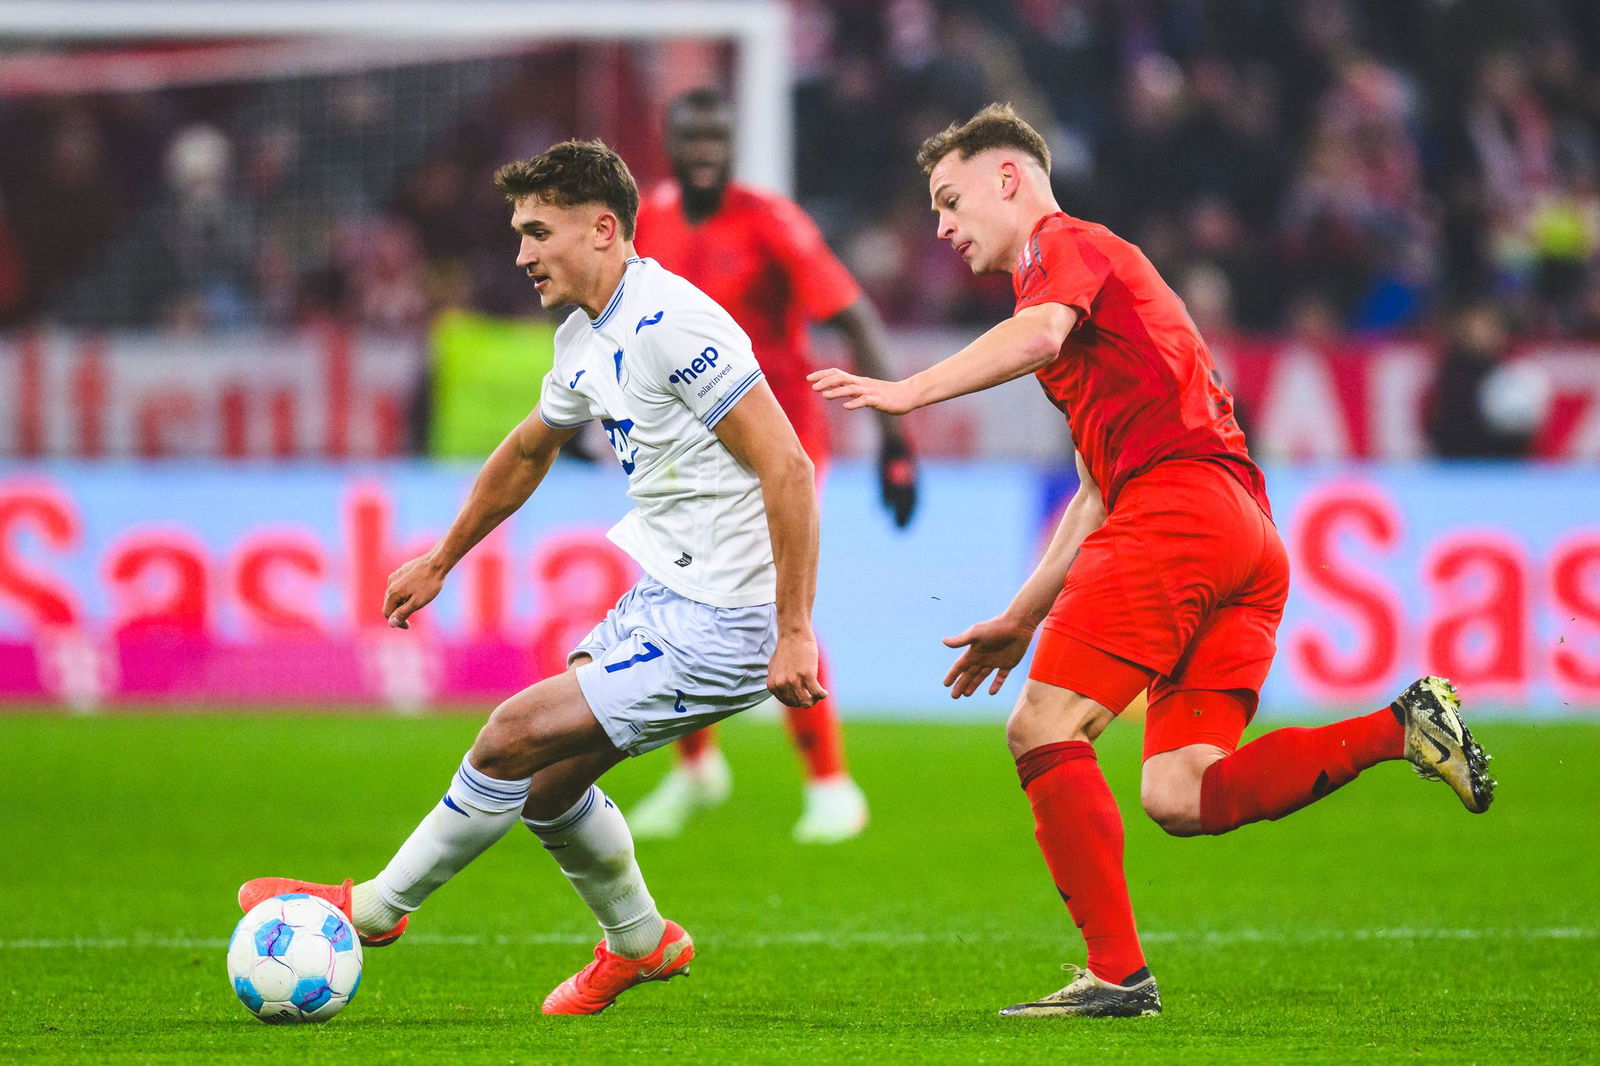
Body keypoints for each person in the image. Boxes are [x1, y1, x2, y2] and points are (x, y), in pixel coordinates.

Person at [810, 104, 1496, 1019]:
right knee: (1182, 791)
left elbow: (1044, 340)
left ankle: (1117, 975)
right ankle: (1401, 726)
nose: (939, 225)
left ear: (1008, 177)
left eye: (949, 198)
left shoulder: (1065, 248)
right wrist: (1021, 615)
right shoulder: (1091, 297)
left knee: (1042, 727)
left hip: (1178, 511)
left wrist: (910, 390)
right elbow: (1095, 493)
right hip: (1242, 533)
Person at [239, 139, 826, 1016]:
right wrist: (443, 557)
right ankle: (640, 942)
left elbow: (788, 466)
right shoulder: (586, 335)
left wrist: (792, 628)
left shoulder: (673, 324)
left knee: (510, 733)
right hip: (666, 594)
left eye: (536, 231)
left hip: (726, 618)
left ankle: (373, 910)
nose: (520, 254)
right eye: (519, 233)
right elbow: (528, 450)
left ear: (603, 229)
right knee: (550, 787)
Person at [627, 87, 917, 844]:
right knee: (674, 594)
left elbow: (854, 316)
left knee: (774, 606)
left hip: (778, 446)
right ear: (669, 138)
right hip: (686, 451)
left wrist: (895, 440)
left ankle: (832, 785)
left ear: (732, 142)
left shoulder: (771, 222)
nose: (703, 150)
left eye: (716, 136)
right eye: (690, 135)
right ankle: (696, 768)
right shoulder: (648, 220)